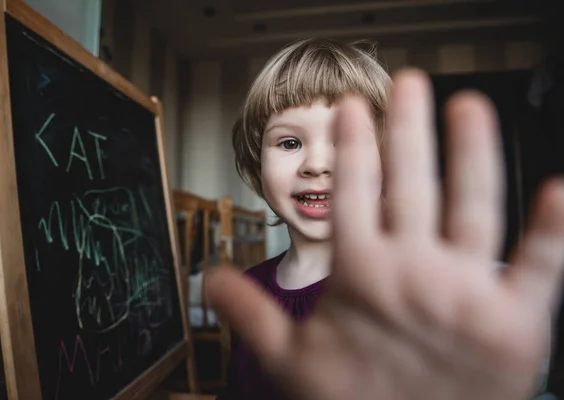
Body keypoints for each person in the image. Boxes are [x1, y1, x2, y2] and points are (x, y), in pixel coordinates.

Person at [207, 37, 564, 400]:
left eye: (344, 142)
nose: (316, 165)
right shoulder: (249, 290)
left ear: (386, 162)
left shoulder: (407, 294)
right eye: (289, 143)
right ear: (257, 162)